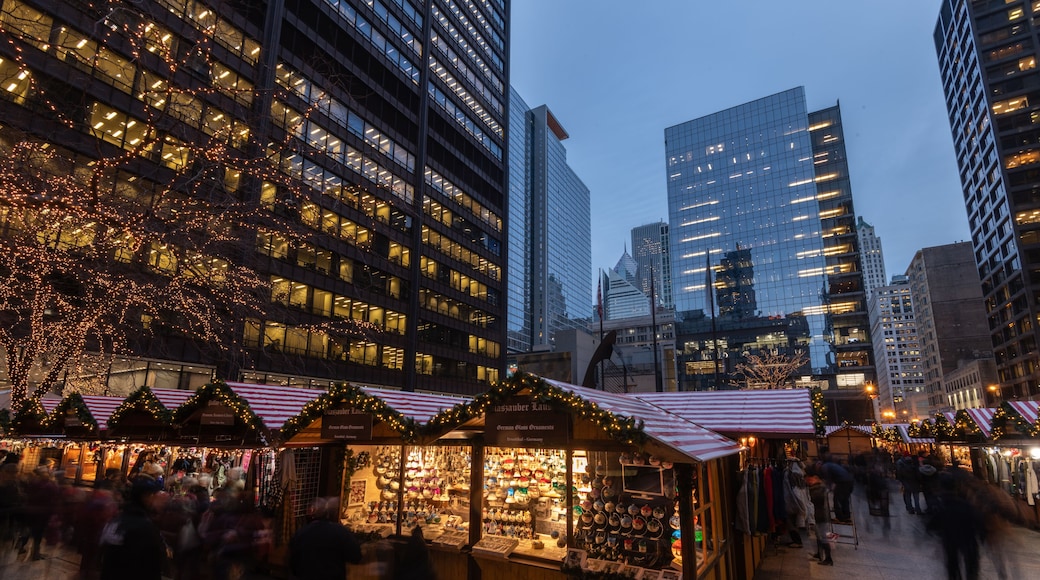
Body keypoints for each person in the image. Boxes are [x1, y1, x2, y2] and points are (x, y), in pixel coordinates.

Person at [99, 476, 168, 580]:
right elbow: (151, 565)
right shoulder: (145, 527)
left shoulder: (116, 520)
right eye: (153, 495)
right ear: (146, 497)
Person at [289, 497, 362, 580]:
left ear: (310, 514)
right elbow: (356, 557)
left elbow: (293, 566)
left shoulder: (300, 534)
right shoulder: (340, 531)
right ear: (327, 514)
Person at [805, 466, 833, 566]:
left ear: (814, 478)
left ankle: (829, 558)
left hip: (821, 516)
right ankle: (819, 554)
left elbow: (816, 500)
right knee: (818, 536)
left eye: (808, 479)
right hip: (818, 515)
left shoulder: (819, 488)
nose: (807, 481)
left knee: (823, 537)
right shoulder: (817, 487)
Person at [819, 448, 854, 523]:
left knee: (837, 499)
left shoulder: (825, 466)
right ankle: (847, 517)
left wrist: (829, 486)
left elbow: (828, 478)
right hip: (849, 480)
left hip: (842, 482)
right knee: (845, 499)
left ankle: (839, 518)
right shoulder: (833, 465)